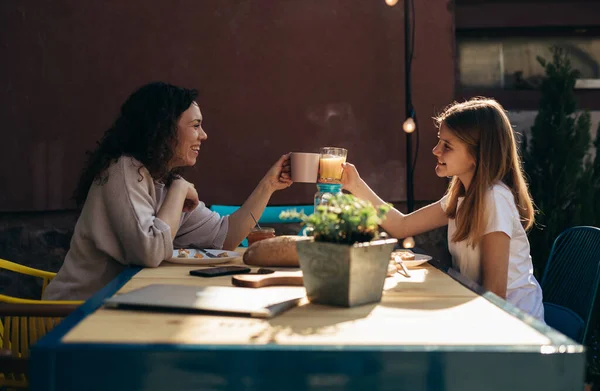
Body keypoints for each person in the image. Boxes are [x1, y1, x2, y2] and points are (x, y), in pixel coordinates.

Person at [43, 82, 292, 300]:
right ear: (164, 129)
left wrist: (268, 185)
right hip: (73, 316)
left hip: (117, 306)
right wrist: (180, 189)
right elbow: (149, 252)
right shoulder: (123, 170)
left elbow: (225, 237)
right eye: (195, 125)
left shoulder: (162, 180)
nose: (203, 136)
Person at [341, 97, 544, 320]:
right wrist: (355, 185)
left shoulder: (494, 198)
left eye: (447, 146)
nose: (436, 150)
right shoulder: (462, 196)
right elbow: (401, 226)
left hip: (515, 328)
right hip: (482, 311)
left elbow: (495, 294)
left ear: (477, 154)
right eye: (439, 141)